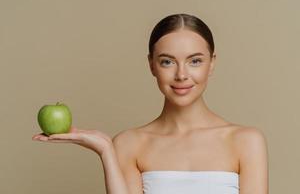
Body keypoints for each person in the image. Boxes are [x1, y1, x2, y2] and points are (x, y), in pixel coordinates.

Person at [32, 13, 269, 194]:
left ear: (212, 63)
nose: (181, 75)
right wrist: (106, 150)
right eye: (167, 62)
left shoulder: (246, 141)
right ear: (151, 65)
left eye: (195, 61)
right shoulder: (128, 144)